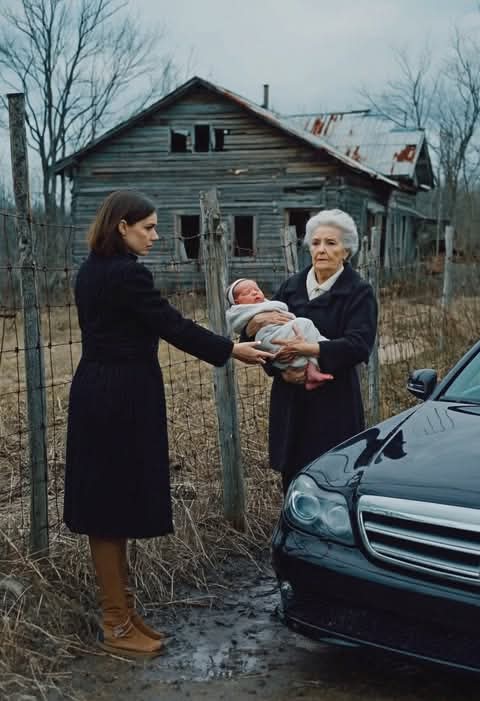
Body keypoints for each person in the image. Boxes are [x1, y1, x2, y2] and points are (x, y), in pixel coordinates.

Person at [64, 190, 272, 659]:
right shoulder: (126, 274)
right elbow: (171, 324)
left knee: (110, 505)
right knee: (108, 508)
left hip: (100, 390)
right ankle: (116, 622)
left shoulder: (92, 269)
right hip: (118, 397)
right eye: (149, 227)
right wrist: (230, 349)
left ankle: (124, 612)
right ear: (122, 226)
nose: (156, 236)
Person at [243, 209, 378, 494]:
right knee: (293, 482)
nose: (321, 249)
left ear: (346, 250)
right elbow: (260, 337)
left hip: (334, 402)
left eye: (331, 243)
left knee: (333, 482)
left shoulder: (358, 292)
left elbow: (359, 345)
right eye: (316, 243)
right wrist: (279, 368)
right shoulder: (291, 288)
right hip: (290, 402)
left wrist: (311, 349)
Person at [225, 278, 334, 390]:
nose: (254, 292)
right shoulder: (291, 285)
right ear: (237, 303)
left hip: (335, 384)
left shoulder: (267, 304)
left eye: (257, 289)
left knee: (313, 334)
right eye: (247, 292)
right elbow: (248, 341)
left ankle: (318, 364)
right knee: (304, 323)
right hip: (270, 337)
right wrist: (249, 328)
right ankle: (312, 367)